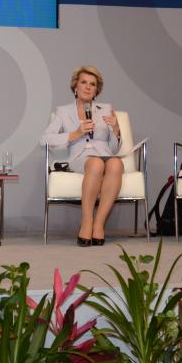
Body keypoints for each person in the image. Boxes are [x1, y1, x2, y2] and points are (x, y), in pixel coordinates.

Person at [40, 65, 125, 246]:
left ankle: (99, 224)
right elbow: (45, 139)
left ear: (96, 90)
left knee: (116, 164)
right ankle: (86, 222)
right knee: (95, 164)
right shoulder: (63, 111)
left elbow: (114, 148)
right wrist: (76, 133)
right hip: (80, 157)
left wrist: (116, 129)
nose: (88, 87)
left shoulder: (106, 109)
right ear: (75, 87)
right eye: (84, 82)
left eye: (92, 84)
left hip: (105, 155)